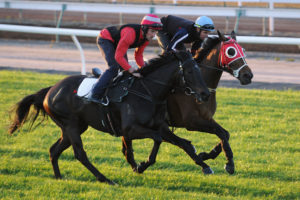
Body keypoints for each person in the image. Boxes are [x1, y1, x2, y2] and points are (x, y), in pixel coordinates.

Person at [89, 14, 163, 104]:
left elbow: (138, 55)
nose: (153, 35)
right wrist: (132, 70)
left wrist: (143, 69)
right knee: (114, 67)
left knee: (124, 68)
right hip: (106, 38)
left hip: (118, 42)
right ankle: (95, 93)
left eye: (155, 32)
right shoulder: (130, 34)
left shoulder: (145, 39)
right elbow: (118, 57)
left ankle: (112, 91)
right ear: (144, 28)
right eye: (152, 31)